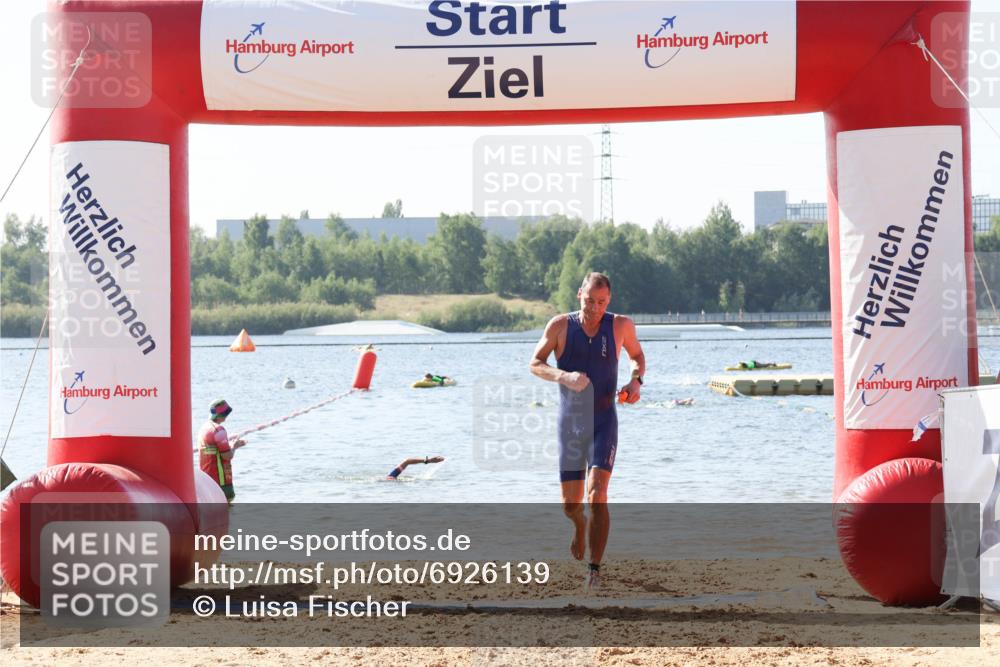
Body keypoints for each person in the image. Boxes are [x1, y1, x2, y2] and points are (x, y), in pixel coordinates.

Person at [529, 272, 646, 590]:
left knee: (598, 494)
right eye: (589, 301)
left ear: (609, 301)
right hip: (570, 425)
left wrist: (636, 381)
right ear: (579, 294)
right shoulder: (559, 326)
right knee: (570, 505)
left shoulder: (620, 325)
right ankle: (579, 526)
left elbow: (637, 356)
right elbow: (535, 363)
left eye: (602, 302)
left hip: (604, 421)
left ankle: (594, 570)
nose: (595, 308)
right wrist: (564, 376)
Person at [198, 399, 245, 503]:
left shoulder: (203, 428)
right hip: (221, 482)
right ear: (223, 414)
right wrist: (234, 446)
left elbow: (214, 450)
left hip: (206, 480)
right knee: (226, 509)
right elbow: (227, 456)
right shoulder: (219, 430)